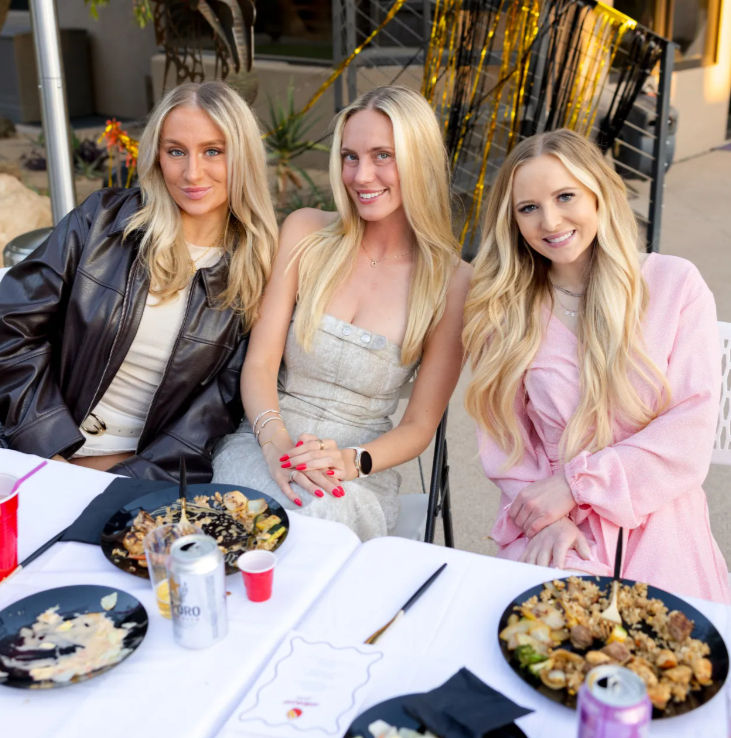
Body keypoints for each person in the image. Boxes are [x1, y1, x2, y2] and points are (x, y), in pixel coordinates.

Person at [462, 128, 730, 603]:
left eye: (566, 196)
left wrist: (576, 483)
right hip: (553, 526)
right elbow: (507, 443)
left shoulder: (675, 285)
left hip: (659, 520)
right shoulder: (506, 310)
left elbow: (689, 434)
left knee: (662, 657)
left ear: (599, 194)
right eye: (528, 208)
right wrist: (555, 516)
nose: (550, 220)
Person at [213, 85, 471, 540]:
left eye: (382, 155)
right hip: (266, 440)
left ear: (420, 160)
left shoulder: (452, 281)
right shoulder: (306, 233)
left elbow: (418, 426)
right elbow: (259, 364)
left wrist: (350, 461)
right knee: (252, 511)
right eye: (350, 157)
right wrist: (275, 445)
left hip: (357, 470)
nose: (361, 175)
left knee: (318, 519)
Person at [0, 81, 278, 481]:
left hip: (139, 475)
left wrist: (126, 480)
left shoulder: (255, 271)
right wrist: (51, 452)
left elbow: (212, 414)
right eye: (175, 151)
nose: (192, 172)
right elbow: (11, 331)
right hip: (31, 449)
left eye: (213, 151)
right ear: (157, 156)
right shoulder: (103, 224)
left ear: (244, 158)